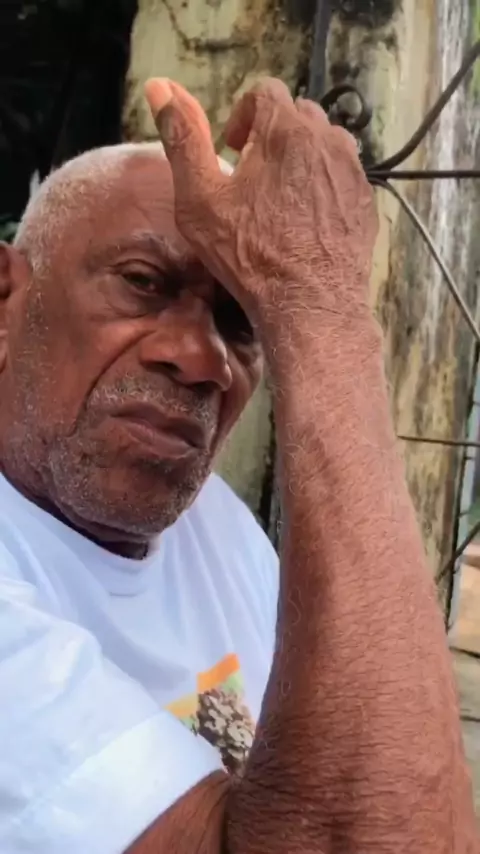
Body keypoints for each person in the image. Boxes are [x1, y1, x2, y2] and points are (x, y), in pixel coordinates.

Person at [0, 75, 476, 854]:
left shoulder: (210, 521)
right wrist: (319, 302)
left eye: (240, 319)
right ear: (5, 302)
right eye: (142, 283)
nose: (200, 360)